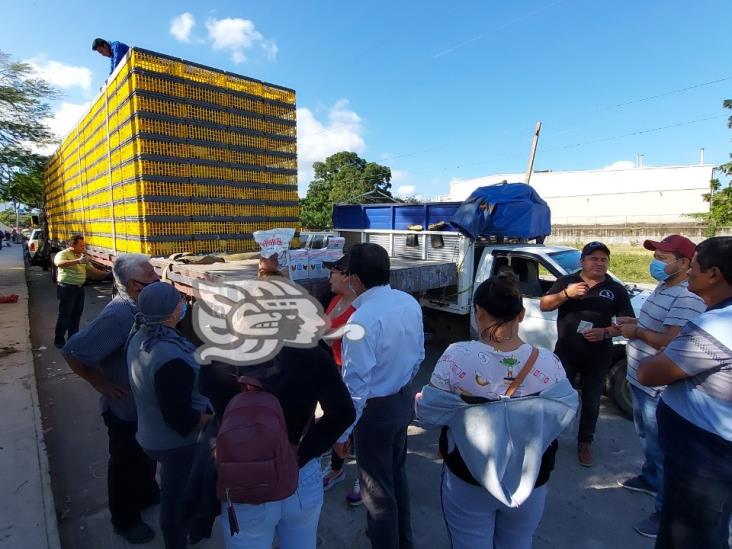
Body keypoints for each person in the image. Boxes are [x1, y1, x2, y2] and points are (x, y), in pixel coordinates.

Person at [416, 272, 578, 549]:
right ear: (522, 314)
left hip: (468, 472)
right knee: (517, 542)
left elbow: (428, 414)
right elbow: (564, 418)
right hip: (531, 478)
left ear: (479, 313)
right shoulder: (550, 363)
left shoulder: (457, 355)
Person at [199, 339, 356, 548]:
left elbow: (207, 398)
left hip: (244, 478)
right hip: (300, 475)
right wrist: (298, 455)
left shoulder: (216, 354)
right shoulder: (312, 353)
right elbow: (344, 412)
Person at [637, 236, 732, 549]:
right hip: (709, 450)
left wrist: (640, 340)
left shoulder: (718, 325)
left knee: (691, 537)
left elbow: (650, 373)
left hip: (704, 458)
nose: (689, 272)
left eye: (694, 266)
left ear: (714, 274)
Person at [61, 253, 161, 544]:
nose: (158, 280)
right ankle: (125, 519)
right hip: (124, 408)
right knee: (125, 462)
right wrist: (99, 381)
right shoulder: (119, 316)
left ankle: (147, 493)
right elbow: (72, 351)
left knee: (146, 455)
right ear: (133, 285)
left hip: (143, 406)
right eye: (152, 277)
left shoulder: (141, 308)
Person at [616, 235, 706, 539]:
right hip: (639, 377)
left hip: (659, 385)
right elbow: (655, 327)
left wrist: (637, 330)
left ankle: (663, 514)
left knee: (665, 449)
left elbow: (671, 340)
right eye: (657, 255)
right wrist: (635, 323)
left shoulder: (688, 295)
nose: (656, 262)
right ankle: (650, 477)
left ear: (684, 263)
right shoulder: (664, 286)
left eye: (663, 257)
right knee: (646, 436)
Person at [336, 243, 425, 549]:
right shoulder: (408, 302)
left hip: (376, 412)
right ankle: (404, 540)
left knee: (376, 491)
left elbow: (355, 385)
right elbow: (419, 354)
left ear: (356, 280)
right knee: (396, 476)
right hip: (402, 399)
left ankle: (386, 542)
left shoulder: (360, 321)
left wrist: (344, 430)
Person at [127, 282, 212, 549]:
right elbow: (181, 419)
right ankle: (176, 542)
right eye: (178, 301)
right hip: (175, 445)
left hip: (149, 431)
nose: (182, 304)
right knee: (176, 502)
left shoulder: (141, 334)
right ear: (170, 311)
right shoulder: (168, 355)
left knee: (174, 491)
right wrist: (214, 419)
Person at [539, 241, 634, 466]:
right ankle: (548, 438)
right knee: (559, 397)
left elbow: (628, 322)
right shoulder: (567, 282)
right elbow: (544, 305)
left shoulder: (615, 289)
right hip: (567, 352)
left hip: (599, 355)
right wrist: (565, 294)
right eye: (594, 258)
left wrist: (606, 332)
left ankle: (585, 442)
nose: (599, 263)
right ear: (582, 261)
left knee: (591, 403)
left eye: (603, 259)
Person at [320, 254, 361, 504]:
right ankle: (336, 468)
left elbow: (330, 335)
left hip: (355, 374)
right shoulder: (334, 299)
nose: (329, 278)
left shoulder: (361, 308)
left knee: (356, 425)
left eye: (333, 273)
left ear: (347, 276)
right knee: (335, 420)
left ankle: (364, 477)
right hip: (334, 372)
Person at [54, 234, 108, 347]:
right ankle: (59, 340)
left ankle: (73, 339)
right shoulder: (63, 254)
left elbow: (92, 270)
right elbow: (59, 264)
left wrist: (108, 274)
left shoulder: (82, 256)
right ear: (72, 245)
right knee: (65, 314)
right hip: (67, 288)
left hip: (79, 288)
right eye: (80, 245)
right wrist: (78, 261)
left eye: (84, 245)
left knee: (76, 314)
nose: (83, 248)